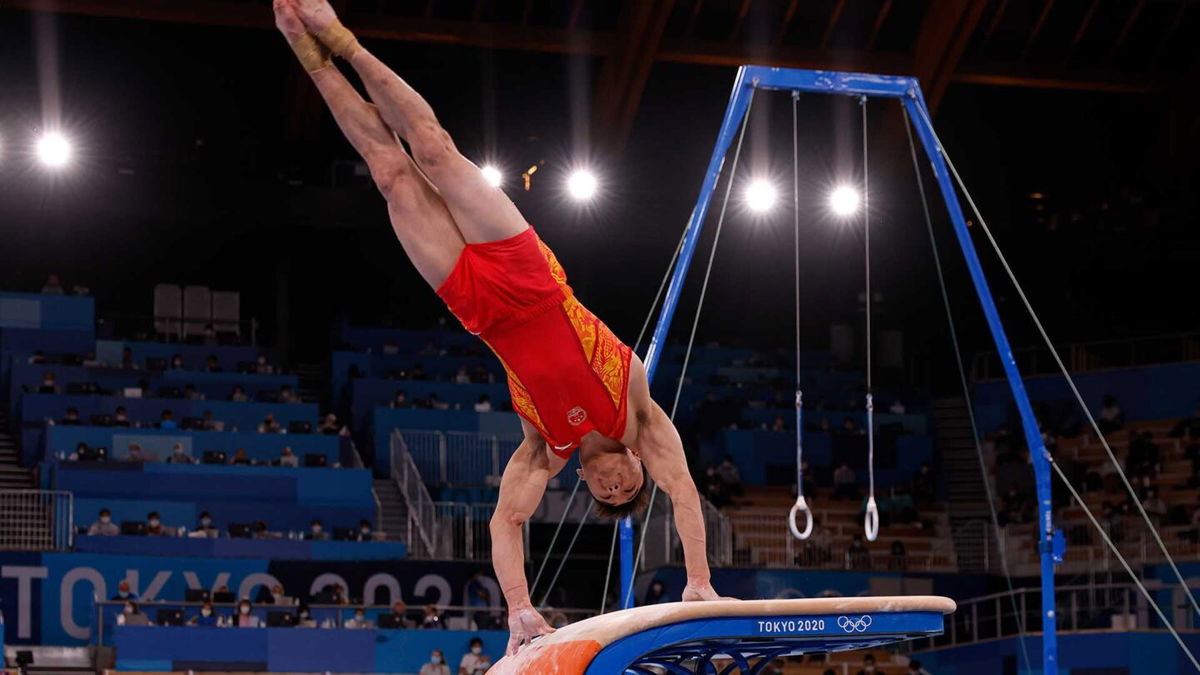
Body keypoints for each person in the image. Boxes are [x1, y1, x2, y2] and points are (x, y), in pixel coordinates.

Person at [275, 1, 726, 656]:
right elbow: (684, 492)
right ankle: (338, 35)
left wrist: (519, 609)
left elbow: (506, 520)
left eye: (607, 492)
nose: (612, 484)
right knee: (432, 150)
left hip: (478, 308)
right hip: (529, 274)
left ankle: (302, 46)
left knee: (391, 174)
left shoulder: (546, 447)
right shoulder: (641, 416)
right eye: (626, 483)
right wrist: (698, 580)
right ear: (636, 461)